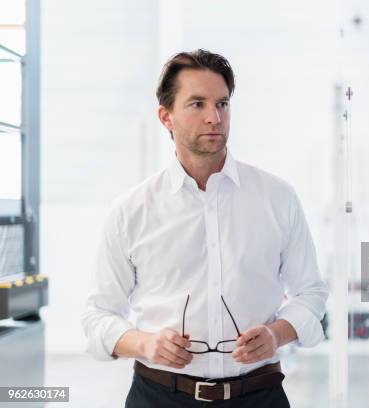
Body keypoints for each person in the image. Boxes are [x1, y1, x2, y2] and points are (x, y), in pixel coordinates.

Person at [81, 49, 328, 407]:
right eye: (197, 104)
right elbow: (98, 317)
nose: (214, 117)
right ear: (165, 116)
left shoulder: (278, 198)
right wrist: (146, 343)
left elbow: (311, 294)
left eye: (223, 104)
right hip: (158, 397)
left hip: (259, 395)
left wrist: (277, 335)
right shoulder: (130, 211)